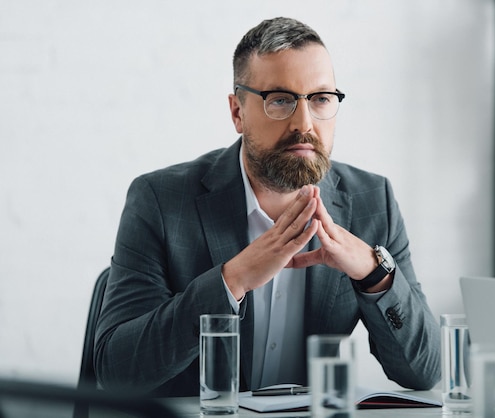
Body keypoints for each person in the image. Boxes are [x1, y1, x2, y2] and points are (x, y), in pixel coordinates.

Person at [94, 16, 440, 397]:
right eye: (280, 100)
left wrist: (375, 273)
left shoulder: (373, 201)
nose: (304, 123)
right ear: (237, 113)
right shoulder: (159, 201)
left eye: (321, 99)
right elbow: (115, 372)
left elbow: (424, 371)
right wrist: (231, 281)